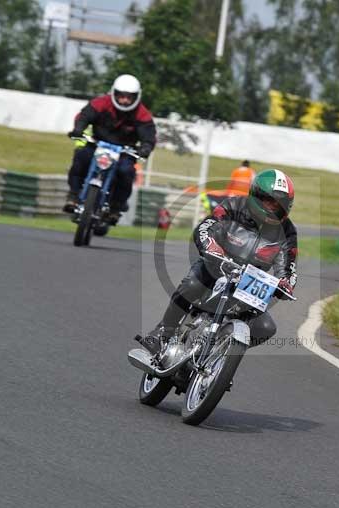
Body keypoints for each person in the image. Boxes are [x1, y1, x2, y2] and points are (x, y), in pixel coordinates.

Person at [140, 169, 298, 357]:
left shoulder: (287, 231)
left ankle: (221, 357)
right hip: (215, 267)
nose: (273, 207)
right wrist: (212, 246)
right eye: (269, 201)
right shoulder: (233, 206)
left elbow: (288, 265)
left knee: (266, 327)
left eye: (279, 204)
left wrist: (285, 282)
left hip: (249, 284)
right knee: (191, 285)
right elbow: (205, 227)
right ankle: (162, 332)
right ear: (256, 195)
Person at [63, 74, 156, 221]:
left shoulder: (142, 114)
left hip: (125, 150)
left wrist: (145, 148)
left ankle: (116, 207)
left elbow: (149, 135)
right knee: (80, 157)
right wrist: (78, 129)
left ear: (136, 97)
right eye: (121, 96)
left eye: (129, 97)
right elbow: (84, 116)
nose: (124, 100)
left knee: (127, 171)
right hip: (96, 144)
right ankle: (73, 195)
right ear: (114, 93)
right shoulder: (101, 103)